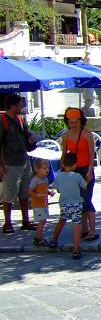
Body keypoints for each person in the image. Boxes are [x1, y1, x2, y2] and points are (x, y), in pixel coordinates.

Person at [56, 107, 98, 242]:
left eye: (76, 122)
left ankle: (92, 230)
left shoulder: (87, 134)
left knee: (86, 199)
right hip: (72, 170)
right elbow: (64, 155)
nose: (73, 125)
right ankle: (84, 229)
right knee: (78, 200)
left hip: (85, 169)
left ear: (81, 121)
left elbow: (91, 154)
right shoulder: (66, 136)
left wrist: (90, 170)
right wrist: (61, 172)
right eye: (71, 122)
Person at [0, 94, 38, 234]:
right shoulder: (2, 120)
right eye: (20, 105)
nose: (22, 107)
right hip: (10, 162)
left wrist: (31, 138)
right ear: (13, 106)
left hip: (24, 160)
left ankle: (26, 221)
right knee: (9, 193)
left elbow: (27, 134)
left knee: (24, 192)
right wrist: (1, 165)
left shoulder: (21, 119)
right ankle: (8, 223)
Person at [47, 152, 87, 259]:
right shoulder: (77, 176)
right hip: (76, 204)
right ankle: (76, 249)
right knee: (76, 226)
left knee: (61, 221)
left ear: (63, 165)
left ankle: (53, 240)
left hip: (64, 204)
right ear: (75, 165)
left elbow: (57, 189)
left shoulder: (59, 176)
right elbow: (84, 187)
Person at [28, 158, 56, 246]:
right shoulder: (35, 180)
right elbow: (30, 191)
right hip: (37, 204)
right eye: (44, 168)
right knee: (42, 221)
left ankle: (39, 237)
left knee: (44, 221)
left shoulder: (45, 179)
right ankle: (38, 238)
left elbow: (44, 189)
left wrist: (49, 192)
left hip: (44, 203)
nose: (47, 170)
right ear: (37, 169)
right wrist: (36, 195)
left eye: (48, 168)